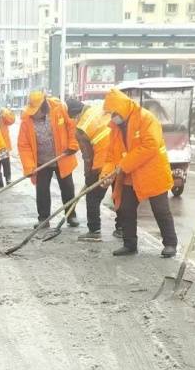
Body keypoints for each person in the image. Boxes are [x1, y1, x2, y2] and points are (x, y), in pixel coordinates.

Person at [99, 88, 177, 257]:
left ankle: (170, 244)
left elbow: (150, 145)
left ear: (121, 108)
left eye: (113, 112)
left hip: (152, 173)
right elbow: (111, 156)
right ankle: (129, 244)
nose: (112, 117)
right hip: (129, 175)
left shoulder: (146, 118)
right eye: (110, 113)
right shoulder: (115, 129)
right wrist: (106, 174)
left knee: (160, 209)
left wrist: (124, 164)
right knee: (126, 208)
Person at [18, 90, 79, 227]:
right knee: (42, 191)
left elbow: (71, 128)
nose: (34, 113)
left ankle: (71, 215)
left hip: (62, 157)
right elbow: (24, 145)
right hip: (41, 162)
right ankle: (43, 219)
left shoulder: (59, 109)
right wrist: (29, 167)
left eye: (37, 110)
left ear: (44, 105)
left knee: (68, 188)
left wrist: (73, 145)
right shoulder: (26, 120)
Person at [69, 97, 111, 243]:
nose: (73, 120)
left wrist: (89, 176)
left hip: (102, 164)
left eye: (73, 117)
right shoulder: (96, 110)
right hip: (119, 157)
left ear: (76, 114)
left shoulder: (81, 128)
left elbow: (87, 157)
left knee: (92, 197)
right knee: (120, 196)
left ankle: (94, 231)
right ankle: (121, 229)